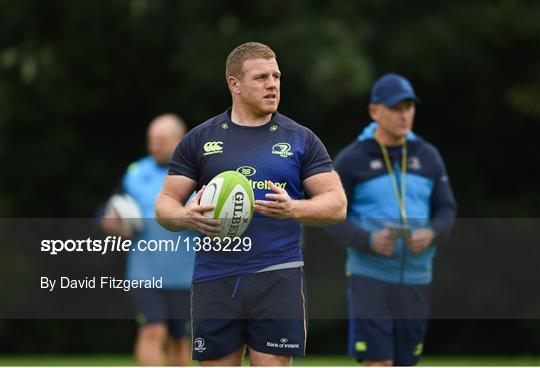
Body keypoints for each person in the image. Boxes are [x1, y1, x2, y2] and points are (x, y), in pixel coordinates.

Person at [155, 42, 347, 366]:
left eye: (276, 76)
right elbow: (164, 204)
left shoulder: (300, 138)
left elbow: (337, 204)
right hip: (215, 275)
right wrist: (186, 217)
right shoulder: (201, 140)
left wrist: (293, 209)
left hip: (277, 274)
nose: (272, 84)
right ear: (235, 84)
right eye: (261, 77)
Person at [325, 74, 457, 366]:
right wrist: (368, 240)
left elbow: (447, 209)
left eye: (409, 106)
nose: (404, 114)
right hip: (370, 277)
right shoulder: (352, 158)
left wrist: (432, 233)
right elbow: (329, 215)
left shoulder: (428, 155)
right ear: (375, 111)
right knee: (379, 363)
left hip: (417, 277)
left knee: (405, 363)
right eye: (397, 107)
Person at [100, 114, 195, 366]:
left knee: (180, 338)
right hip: (145, 273)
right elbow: (106, 213)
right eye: (151, 140)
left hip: (186, 275)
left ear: (180, 140)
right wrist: (111, 222)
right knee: (152, 330)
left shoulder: (198, 174)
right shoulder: (135, 173)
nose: (154, 146)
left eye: (161, 140)